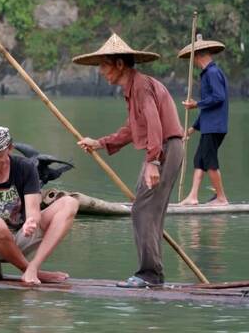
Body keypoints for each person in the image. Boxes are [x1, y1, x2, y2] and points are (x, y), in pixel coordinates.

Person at [73, 33, 184, 288]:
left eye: (104, 65)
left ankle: (150, 275)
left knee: (143, 210)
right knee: (148, 211)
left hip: (163, 149)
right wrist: (100, 143)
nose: (101, 71)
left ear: (119, 64)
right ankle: (153, 274)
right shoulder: (133, 89)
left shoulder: (142, 86)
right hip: (163, 149)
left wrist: (154, 161)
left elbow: (155, 122)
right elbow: (132, 129)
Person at [0, 125, 79, 287]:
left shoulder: (25, 167)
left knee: (70, 202)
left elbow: (33, 210)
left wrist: (31, 221)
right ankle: (30, 270)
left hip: (17, 235)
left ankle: (34, 266)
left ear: (9, 149)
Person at [178, 34, 229, 206]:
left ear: (199, 55)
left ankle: (221, 198)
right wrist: (191, 129)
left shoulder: (213, 73)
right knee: (199, 159)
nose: (192, 61)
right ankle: (193, 196)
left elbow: (218, 97)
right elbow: (208, 108)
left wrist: (196, 104)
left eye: (193, 58)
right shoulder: (207, 74)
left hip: (215, 127)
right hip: (209, 125)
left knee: (209, 161)